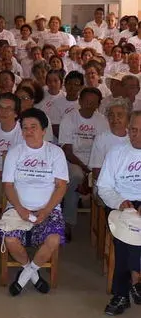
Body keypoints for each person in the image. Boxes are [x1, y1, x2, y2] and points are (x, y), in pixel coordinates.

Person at [0, 108, 69, 296]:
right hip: (18, 207)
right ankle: (34, 275)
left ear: (44, 130)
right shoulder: (15, 152)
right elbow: (8, 185)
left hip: (48, 209)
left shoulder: (55, 153)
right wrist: (21, 209)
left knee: (53, 239)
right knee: (11, 239)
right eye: (25, 128)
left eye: (33, 127)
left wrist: (46, 211)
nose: (28, 131)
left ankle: (25, 276)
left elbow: (61, 186)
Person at [96, 111, 141, 316]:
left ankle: (134, 282)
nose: (136, 135)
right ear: (127, 129)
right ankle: (123, 293)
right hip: (120, 203)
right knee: (124, 238)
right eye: (133, 130)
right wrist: (120, 202)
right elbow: (104, 187)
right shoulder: (116, 153)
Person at [59, 87, 108, 239]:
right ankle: (68, 222)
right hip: (74, 161)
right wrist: (86, 171)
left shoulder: (101, 121)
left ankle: (106, 226)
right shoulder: (69, 118)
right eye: (86, 101)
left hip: (96, 161)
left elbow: (104, 149)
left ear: (98, 105)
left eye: (93, 103)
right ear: (80, 101)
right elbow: (67, 150)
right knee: (75, 177)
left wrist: (93, 170)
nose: (89, 105)